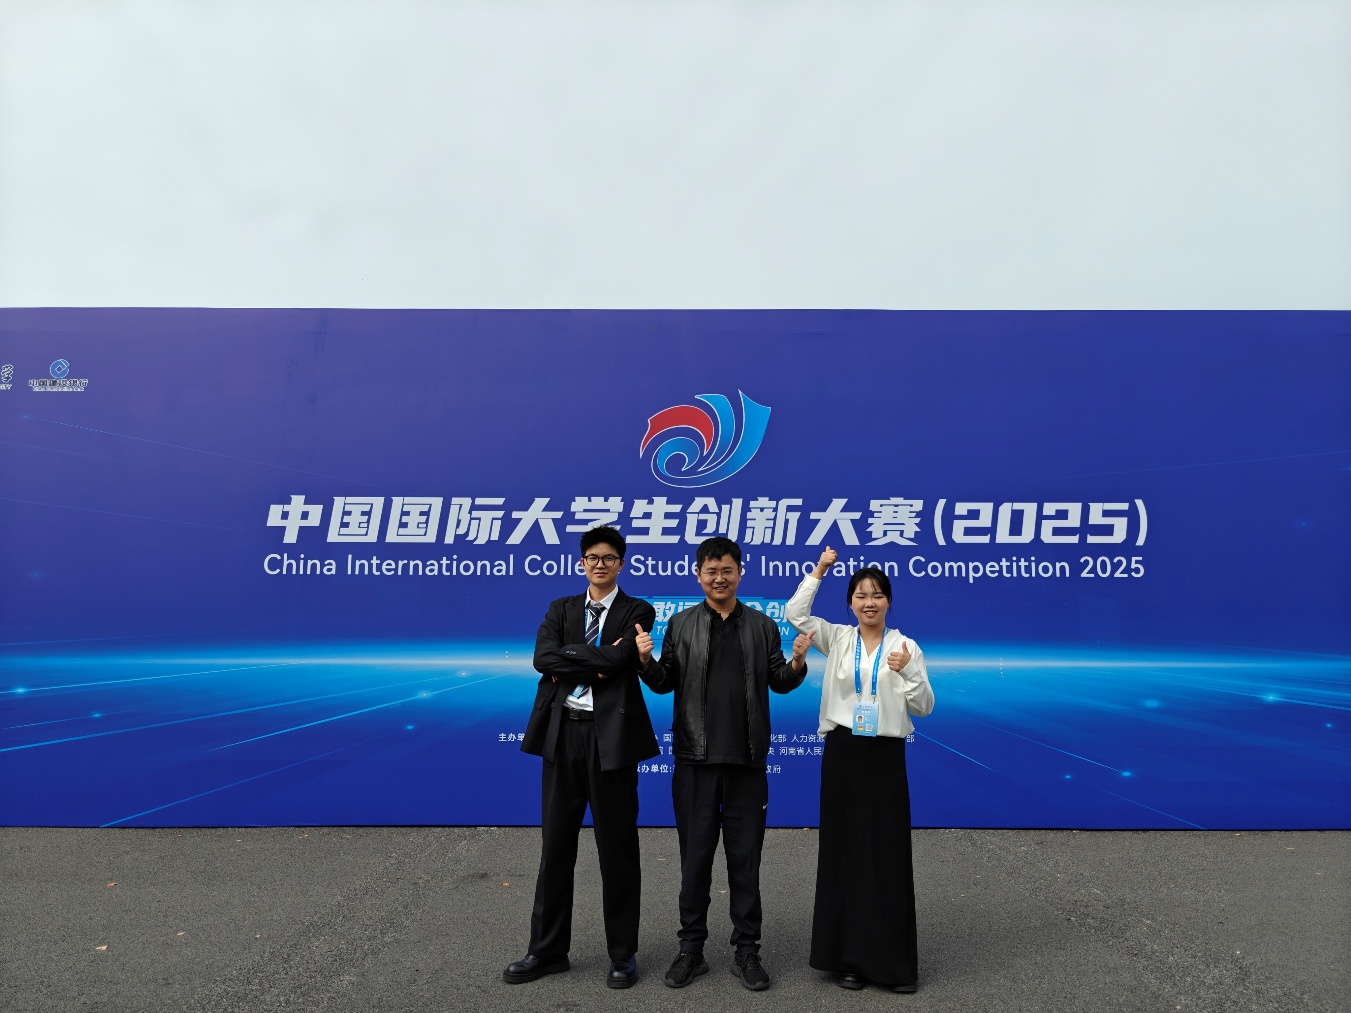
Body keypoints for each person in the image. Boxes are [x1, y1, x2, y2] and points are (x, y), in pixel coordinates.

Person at [635, 536, 813, 991]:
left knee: (745, 861)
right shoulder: (681, 624)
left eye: (727, 570)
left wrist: (796, 663)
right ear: (698, 575)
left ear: (739, 573)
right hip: (694, 762)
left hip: (747, 763)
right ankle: (690, 950)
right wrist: (645, 660)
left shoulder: (762, 626)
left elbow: (779, 681)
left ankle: (747, 951)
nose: (719, 578)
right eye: (711, 571)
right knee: (694, 861)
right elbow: (664, 682)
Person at [504, 526, 658, 989]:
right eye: (593, 557)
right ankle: (547, 951)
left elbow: (621, 661)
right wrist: (598, 659)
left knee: (618, 850)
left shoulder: (637, 610)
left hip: (611, 740)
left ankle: (622, 955)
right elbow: (543, 659)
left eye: (609, 558)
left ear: (621, 563)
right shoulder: (561, 608)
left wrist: (577, 659)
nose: (600, 564)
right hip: (563, 736)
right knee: (555, 848)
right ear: (582, 563)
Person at [786, 546, 935, 993]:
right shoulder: (837, 639)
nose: (869, 603)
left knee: (886, 853)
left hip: (884, 756)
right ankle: (848, 959)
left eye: (877, 595)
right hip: (843, 752)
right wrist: (820, 570)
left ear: (889, 601)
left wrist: (908, 673)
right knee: (845, 852)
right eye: (860, 596)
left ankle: (892, 965)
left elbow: (924, 707)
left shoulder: (906, 647)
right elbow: (795, 614)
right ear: (850, 602)